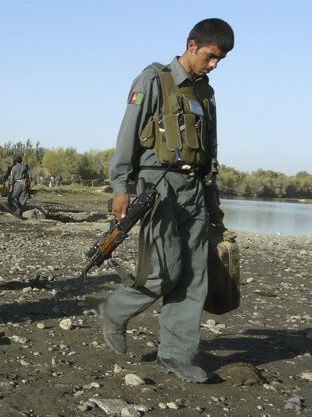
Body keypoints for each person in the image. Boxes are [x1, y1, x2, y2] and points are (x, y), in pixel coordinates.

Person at [99, 18, 233, 384]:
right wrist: (120, 186)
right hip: (157, 185)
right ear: (192, 45)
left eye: (220, 60)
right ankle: (114, 311)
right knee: (163, 270)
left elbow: (210, 150)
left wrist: (213, 200)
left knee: (194, 276)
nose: (214, 65)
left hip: (194, 190)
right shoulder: (154, 80)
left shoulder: (206, 94)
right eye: (211, 56)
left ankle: (175, 357)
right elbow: (127, 134)